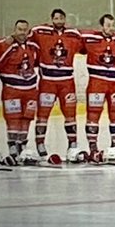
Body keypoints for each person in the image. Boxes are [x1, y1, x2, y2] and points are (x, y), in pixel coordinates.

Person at [29, 8, 84, 157]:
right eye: (56, 18)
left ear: (65, 19)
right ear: (51, 19)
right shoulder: (40, 32)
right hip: (47, 82)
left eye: (61, 18)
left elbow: (85, 47)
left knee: (70, 114)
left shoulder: (73, 35)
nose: (59, 21)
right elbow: (26, 37)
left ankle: (73, 144)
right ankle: (40, 144)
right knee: (42, 115)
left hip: (67, 82)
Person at [81, 14, 115, 154]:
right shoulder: (91, 38)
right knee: (93, 114)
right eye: (108, 25)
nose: (111, 28)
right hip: (97, 83)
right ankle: (93, 147)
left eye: (112, 25)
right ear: (101, 25)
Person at [0, 20, 40, 164]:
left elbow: (37, 62)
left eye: (25, 30)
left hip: (30, 90)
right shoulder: (6, 45)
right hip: (12, 90)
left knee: (26, 119)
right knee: (13, 119)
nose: (22, 32)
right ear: (14, 30)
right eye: (20, 29)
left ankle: (22, 146)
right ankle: (12, 146)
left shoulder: (33, 46)